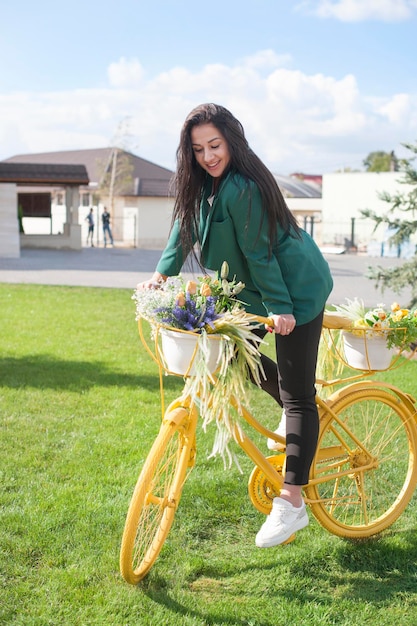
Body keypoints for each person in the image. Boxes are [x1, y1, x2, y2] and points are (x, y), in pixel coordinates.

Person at [136, 103, 333, 547]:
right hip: (255, 289)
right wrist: (161, 276)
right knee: (226, 353)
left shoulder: (241, 187)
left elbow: (261, 253)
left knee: (299, 396)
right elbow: (183, 228)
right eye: (199, 149)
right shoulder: (204, 184)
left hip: (294, 287)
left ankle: (292, 503)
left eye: (215, 145)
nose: (208, 156)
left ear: (231, 141)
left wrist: (282, 309)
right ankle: (290, 406)